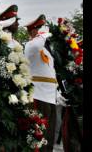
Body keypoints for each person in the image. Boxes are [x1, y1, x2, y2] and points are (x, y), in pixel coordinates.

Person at [24, 15, 66, 152]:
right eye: (38, 29)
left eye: (41, 29)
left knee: (50, 134)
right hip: (39, 94)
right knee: (40, 134)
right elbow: (37, 43)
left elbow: (50, 73)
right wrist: (45, 33)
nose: (41, 32)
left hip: (50, 95)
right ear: (32, 31)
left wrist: (57, 93)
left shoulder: (45, 51)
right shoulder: (30, 45)